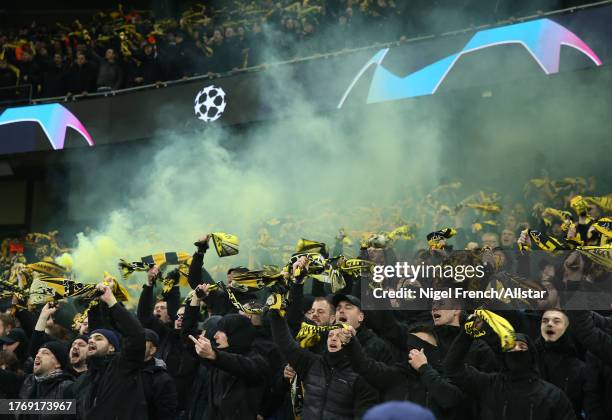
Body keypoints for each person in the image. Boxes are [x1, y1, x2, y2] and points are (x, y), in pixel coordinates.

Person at [445, 313, 576, 420]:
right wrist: (467, 335)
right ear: (504, 356)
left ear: (531, 355)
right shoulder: (489, 385)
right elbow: (452, 368)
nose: (517, 351)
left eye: (522, 346)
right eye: (511, 348)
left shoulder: (552, 396)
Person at [268, 309, 378, 419]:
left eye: (339, 336)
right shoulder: (312, 362)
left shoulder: (360, 377)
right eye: (330, 335)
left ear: (351, 342)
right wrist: (275, 313)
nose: (333, 338)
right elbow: (285, 344)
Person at [72, 278, 147, 420]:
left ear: (112, 347)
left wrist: (111, 301)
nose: (92, 340)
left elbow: (137, 334)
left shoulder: (123, 366)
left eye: (99, 339)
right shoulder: (83, 380)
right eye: (90, 339)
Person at [188, 313, 269, 419]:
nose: (215, 335)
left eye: (222, 331)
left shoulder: (257, 361)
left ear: (235, 333)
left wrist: (214, 355)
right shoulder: (218, 360)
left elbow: (241, 365)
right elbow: (186, 339)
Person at [535, 309, 588, 417]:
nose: (549, 324)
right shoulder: (529, 361)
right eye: (545, 321)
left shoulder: (580, 369)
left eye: (556, 321)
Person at [18, 341, 74, 420]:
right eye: (38, 352)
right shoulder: (28, 381)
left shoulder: (67, 387)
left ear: (58, 363)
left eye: (45, 353)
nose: (37, 356)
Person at [141, 328, 178, 420]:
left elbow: (166, 414)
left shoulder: (162, 379)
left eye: (142, 342)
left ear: (152, 350)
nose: (135, 345)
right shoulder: (121, 371)